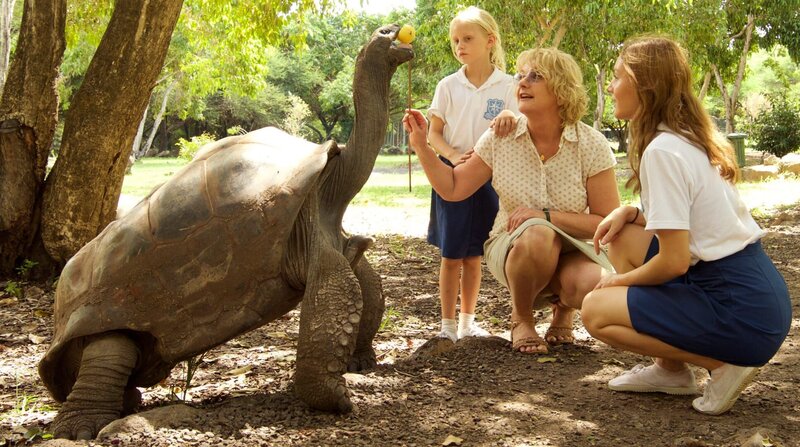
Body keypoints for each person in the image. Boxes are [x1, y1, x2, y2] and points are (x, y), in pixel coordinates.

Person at [582, 36, 791, 415]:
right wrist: (630, 212)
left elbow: (674, 261)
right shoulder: (682, 139)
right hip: (760, 301)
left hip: (739, 309)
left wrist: (616, 281)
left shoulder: (662, 150)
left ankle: (722, 367)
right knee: (623, 239)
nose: (611, 88)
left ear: (645, 85)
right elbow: (694, 220)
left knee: (595, 310)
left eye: (617, 77)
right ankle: (671, 372)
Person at [405, 47, 620, 353]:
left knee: (590, 287)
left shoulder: (591, 144)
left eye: (535, 76)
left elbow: (605, 223)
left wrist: (545, 215)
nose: (522, 82)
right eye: (520, 75)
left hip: (574, 246)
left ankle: (563, 311)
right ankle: (521, 318)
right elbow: (453, 189)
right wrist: (422, 145)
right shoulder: (500, 137)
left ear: (561, 89)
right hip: (516, 246)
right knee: (537, 234)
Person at [424, 6, 518, 342]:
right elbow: (433, 134)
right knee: (451, 254)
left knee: (474, 253)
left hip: (489, 177)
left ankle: (467, 323)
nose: (459, 45)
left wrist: (510, 115)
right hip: (451, 176)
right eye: (455, 40)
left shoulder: (510, 85)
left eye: (467, 38)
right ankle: (447, 326)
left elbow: (519, 121)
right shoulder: (447, 86)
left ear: (490, 40)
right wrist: (451, 155)